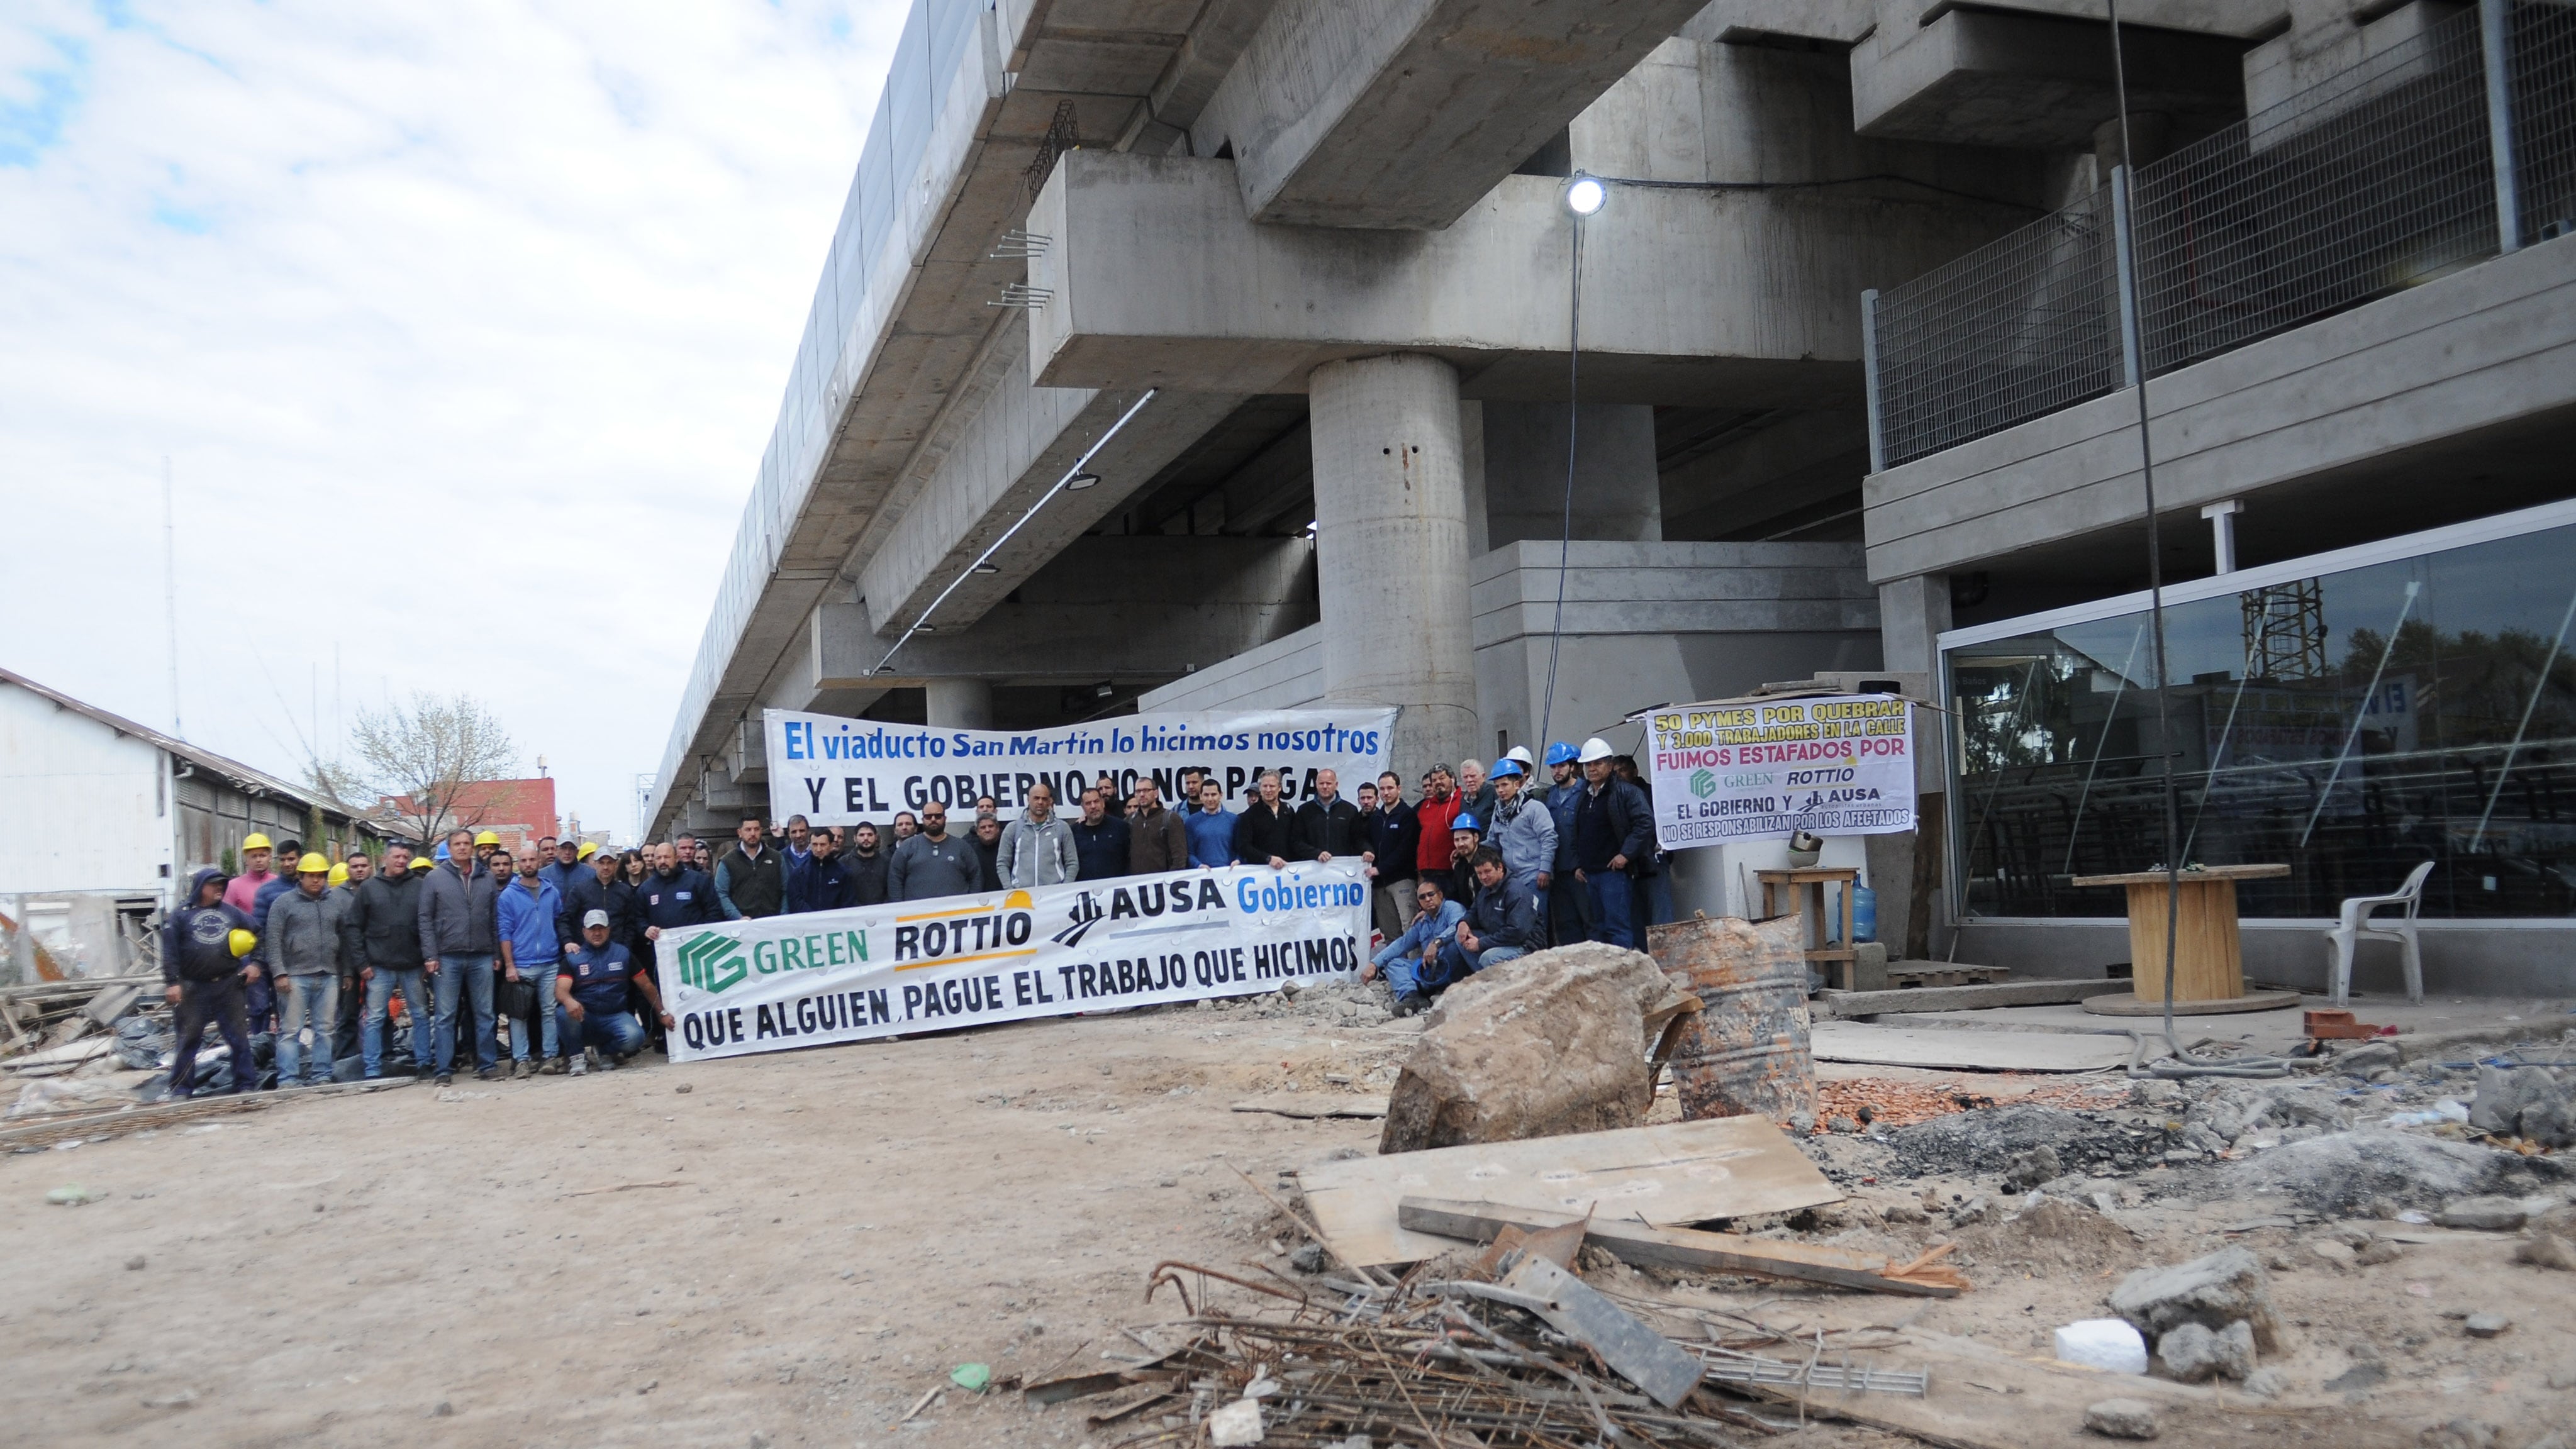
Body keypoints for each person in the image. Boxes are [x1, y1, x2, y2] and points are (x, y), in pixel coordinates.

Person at [162, 867, 258, 1097]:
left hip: (228, 985)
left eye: (222, 885)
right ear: (199, 887)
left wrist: (256, 964)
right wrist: (172, 982)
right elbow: (170, 952)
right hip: (193, 988)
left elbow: (259, 933)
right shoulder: (181, 915)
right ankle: (181, 1089)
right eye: (214, 884)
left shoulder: (232, 913)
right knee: (188, 1040)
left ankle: (245, 1085)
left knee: (239, 1038)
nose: (219, 888)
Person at [418, 828, 501, 1085]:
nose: (463, 848)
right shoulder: (434, 878)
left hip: (481, 955)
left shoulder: (486, 877)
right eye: (457, 844)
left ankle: (487, 1064)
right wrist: (430, 955)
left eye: (467, 843)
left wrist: (496, 952)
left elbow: (494, 918)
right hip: (447, 956)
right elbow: (425, 918)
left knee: (485, 1012)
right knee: (445, 1015)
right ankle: (444, 1069)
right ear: (449, 848)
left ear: (473, 847)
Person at [347, 841, 430, 1080]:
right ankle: (372, 1068)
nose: (401, 861)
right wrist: (362, 964)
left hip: (413, 965)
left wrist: (428, 959)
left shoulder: (420, 887)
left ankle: (424, 1063)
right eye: (396, 856)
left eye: (405, 857)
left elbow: (429, 925)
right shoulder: (369, 889)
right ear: (385, 859)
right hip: (379, 966)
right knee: (374, 1018)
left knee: (421, 1015)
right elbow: (353, 928)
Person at [265, 852, 348, 1086]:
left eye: (321, 876)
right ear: (300, 877)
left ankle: (322, 1075)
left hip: (328, 976)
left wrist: (346, 972)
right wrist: (280, 973)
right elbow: (272, 940)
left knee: (326, 1030)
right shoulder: (283, 904)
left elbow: (344, 938)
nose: (316, 881)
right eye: (311, 876)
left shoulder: (335, 903)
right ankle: (288, 1079)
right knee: (291, 1031)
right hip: (295, 977)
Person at [1573, 737, 1654, 949]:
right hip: (1591, 874)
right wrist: (1579, 863)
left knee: (1618, 928)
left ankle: (1624, 973)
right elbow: (1580, 830)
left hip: (1615, 874)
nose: (1592, 769)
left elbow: (1645, 823)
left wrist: (1625, 855)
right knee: (1598, 928)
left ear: (1610, 765)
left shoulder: (1626, 792)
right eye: (1588, 764)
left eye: (1598, 763)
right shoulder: (1586, 794)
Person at [555, 910, 657, 1074]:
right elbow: (560, 991)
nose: (597, 933)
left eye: (601, 928)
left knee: (635, 1037)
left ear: (609, 930)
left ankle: (605, 1052)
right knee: (563, 1013)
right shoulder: (573, 958)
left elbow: (646, 986)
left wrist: (663, 1013)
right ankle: (577, 1056)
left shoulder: (623, 953)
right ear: (584, 931)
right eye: (592, 929)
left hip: (614, 1016)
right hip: (584, 1017)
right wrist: (568, 1001)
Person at [496, 852, 564, 1079]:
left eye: (532, 860)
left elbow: (557, 921)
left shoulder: (551, 892)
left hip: (549, 962)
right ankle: (522, 1060)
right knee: (518, 1015)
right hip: (522, 964)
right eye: (523, 861)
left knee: (549, 1011)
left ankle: (550, 1056)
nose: (528, 864)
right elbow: (504, 933)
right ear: (519, 864)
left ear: (538, 862)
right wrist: (509, 965)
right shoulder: (508, 896)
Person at [1437, 847, 1542, 985]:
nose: (1483, 877)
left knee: (1488, 957)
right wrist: (1464, 923)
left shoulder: (1515, 891)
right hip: (1499, 940)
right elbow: (1474, 912)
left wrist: (1481, 944)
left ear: (1500, 868)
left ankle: (1505, 986)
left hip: (1524, 946)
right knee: (1461, 938)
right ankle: (1487, 982)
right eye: (1479, 873)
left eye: (1487, 872)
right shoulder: (1486, 890)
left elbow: (1517, 932)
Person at [1364, 879, 1465, 1016]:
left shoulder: (1452, 908)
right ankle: (1412, 998)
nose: (1428, 899)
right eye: (1422, 897)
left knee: (1454, 944)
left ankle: (1444, 990)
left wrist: (1436, 943)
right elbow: (1401, 944)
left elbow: (1458, 925)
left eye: (1431, 894)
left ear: (1440, 895)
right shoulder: (1422, 922)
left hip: (1452, 969)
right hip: (1430, 972)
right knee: (1394, 963)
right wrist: (1374, 963)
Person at [1539, 742, 1593, 947]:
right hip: (1557, 871)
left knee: (1590, 921)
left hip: (1579, 871)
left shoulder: (1586, 792)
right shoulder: (1549, 795)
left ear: (1572, 766)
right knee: (1566, 925)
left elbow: (1589, 834)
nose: (1556, 771)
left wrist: (1582, 864)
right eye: (1553, 767)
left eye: (1561, 766)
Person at [1614, 755, 1675, 928]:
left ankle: (1664, 954)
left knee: (1660, 916)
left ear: (1635, 771)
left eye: (1623, 770)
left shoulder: (1652, 793)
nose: (1619, 775)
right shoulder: (1614, 796)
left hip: (1653, 860)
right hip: (1628, 866)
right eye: (1615, 772)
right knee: (1636, 918)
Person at [1485, 759, 1557, 906]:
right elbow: (1492, 843)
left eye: (1504, 785)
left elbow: (1549, 838)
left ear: (1516, 784)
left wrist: (1545, 870)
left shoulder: (1534, 808)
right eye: (1497, 786)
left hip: (1535, 876)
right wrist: (1470, 850)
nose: (1500, 790)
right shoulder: (1498, 813)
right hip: (1511, 879)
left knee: (1535, 923)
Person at [328, 852, 372, 1065]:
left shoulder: (376, 890)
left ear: (370, 868)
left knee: (381, 1014)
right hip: (346, 965)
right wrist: (345, 969)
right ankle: (346, 1058)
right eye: (355, 866)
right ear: (347, 870)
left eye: (364, 866)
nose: (360, 869)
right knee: (347, 1013)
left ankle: (380, 1054)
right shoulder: (335, 897)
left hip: (376, 962)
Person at [1368, 771, 1422, 939]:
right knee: (1389, 932)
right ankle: (1396, 966)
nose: (1386, 792)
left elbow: (1405, 850)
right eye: (1382, 789)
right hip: (1379, 884)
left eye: (1390, 788)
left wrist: (1380, 869)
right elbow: (1366, 840)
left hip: (1401, 880)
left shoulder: (1408, 815)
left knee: (1410, 928)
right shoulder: (1375, 817)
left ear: (1399, 789)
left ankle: (1414, 965)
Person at [889, 802, 980, 901]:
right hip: (917, 913)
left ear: (945, 818)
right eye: (928, 817)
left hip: (957, 912)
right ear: (923, 820)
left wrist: (972, 903)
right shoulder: (907, 847)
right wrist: (900, 908)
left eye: (938, 816)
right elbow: (895, 881)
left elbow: (976, 877)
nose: (933, 820)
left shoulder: (962, 847)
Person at [997, 782, 1078, 887]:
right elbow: (1002, 863)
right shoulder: (1013, 828)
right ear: (1028, 799)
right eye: (1036, 798)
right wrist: (1009, 890)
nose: (1040, 802)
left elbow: (1072, 863)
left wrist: (1065, 888)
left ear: (1050, 801)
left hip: (1054, 896)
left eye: (1044, 799)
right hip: (1022, 895)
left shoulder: (1062, 827)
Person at [1289, 767, 1366, 867]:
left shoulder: (1350, 810)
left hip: (1342, 870)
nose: (1325, 787)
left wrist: (1366, 850)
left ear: (1336, 785)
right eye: (1321, 783)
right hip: (1312, 869)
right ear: (1316, 785)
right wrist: (1316, 854)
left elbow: (1358, 839)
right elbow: (1296, 842)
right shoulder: (1304, 811)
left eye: (1329, 783)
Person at [714, 814, 784, 919]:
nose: (753, 833)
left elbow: (786, 889)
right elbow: (721, 894)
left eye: (756, 829)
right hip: (741, 927)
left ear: (761, 831)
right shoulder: (727, 861)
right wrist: (738, 917)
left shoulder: (777, 858)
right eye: (748, 830)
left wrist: (784, 916)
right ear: (740, 833)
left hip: (774, 923)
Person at [1413, 767, 1462, 903]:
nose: (1438, 783)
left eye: (1442, 778)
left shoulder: (1462, 802)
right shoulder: (1425, 806)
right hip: (1427, 873)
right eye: (1434, 780)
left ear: (1452, 779)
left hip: (1450, 873)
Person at [1233, 770, 1294, 869]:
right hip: (1262, 874)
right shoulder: (1249, 815)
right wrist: (1268, 859)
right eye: (1265, 786)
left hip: (1288, 871)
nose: (1268, 790)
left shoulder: (1288, 810)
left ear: (1280, 788)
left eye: (1272, 786)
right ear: (1260, 788)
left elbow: (1295, 841)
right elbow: (1244, 847)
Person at [1127, 777, 1188, 874]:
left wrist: (1171, 881)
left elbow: (1179, 857)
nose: (1142, 795)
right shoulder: (1131, 820)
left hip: (1162, 884)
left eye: (1146, 790)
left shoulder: (1171, 818)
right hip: (1137, 884)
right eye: (1138, 791)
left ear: (1156, 793)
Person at [1068, 787, 1130, 881]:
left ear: (1103, 803)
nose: (1093, 806)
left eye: (1096, 801)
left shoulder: (1121, 827)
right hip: (1085, 891)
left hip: (1116, 890)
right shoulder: (1074, 832)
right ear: (1083, 807)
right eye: (1088, 804)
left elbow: (1130, 860)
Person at [798, 826, 859, 911]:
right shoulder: (800, 873)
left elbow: (848, 903)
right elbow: (796, 902)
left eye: (823, 845)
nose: (819, 849)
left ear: (831, 846)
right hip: (808, 922)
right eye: (815, 845)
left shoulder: (844, 873)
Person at [1185, 778, 1236, 869]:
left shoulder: (1234, 820)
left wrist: (1237, 861)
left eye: (1213, 795)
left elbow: (1241, 849)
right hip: (1202, 877)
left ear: (1221, 795)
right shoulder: (1191, 822)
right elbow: (1189, 853)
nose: (1210, 799)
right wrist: (1199, 865)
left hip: (1229, 876)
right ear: (1201, 796)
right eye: (1206, 795)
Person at [223, 833, 275, 915]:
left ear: (270, 857)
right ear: (246, 860)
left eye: (262, 855)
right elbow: (226, 916)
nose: (258, 860)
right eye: (254, 856)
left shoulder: (279, 883)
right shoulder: (234, 886)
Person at [844, 823, 891, 906]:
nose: (866, 838)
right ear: (855, 838)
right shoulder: (844, 862)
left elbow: (891, 890)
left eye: (870, 835)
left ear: (876, 837)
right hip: (853, 913)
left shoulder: (887, 862)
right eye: (862, 835)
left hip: (882, 913)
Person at [779, 814, 815, 910]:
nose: (798, 835)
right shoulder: (780, 857)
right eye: (794, 832)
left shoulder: (818, 855)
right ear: (789, 834)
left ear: (808, 831)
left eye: (802, 831)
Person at [969, 804, 1004, 892]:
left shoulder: (1007, 847)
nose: (987, 830)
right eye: (983, 827)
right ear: (977, 831)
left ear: (997, 828)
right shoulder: (970, 850)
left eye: (991, 826)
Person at [1457, 758, 1498, 830]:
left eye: (1473, 776)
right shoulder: (1463, 800)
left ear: (1483, 776)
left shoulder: (1494, 793)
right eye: (1465, 777)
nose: (1469, 780)